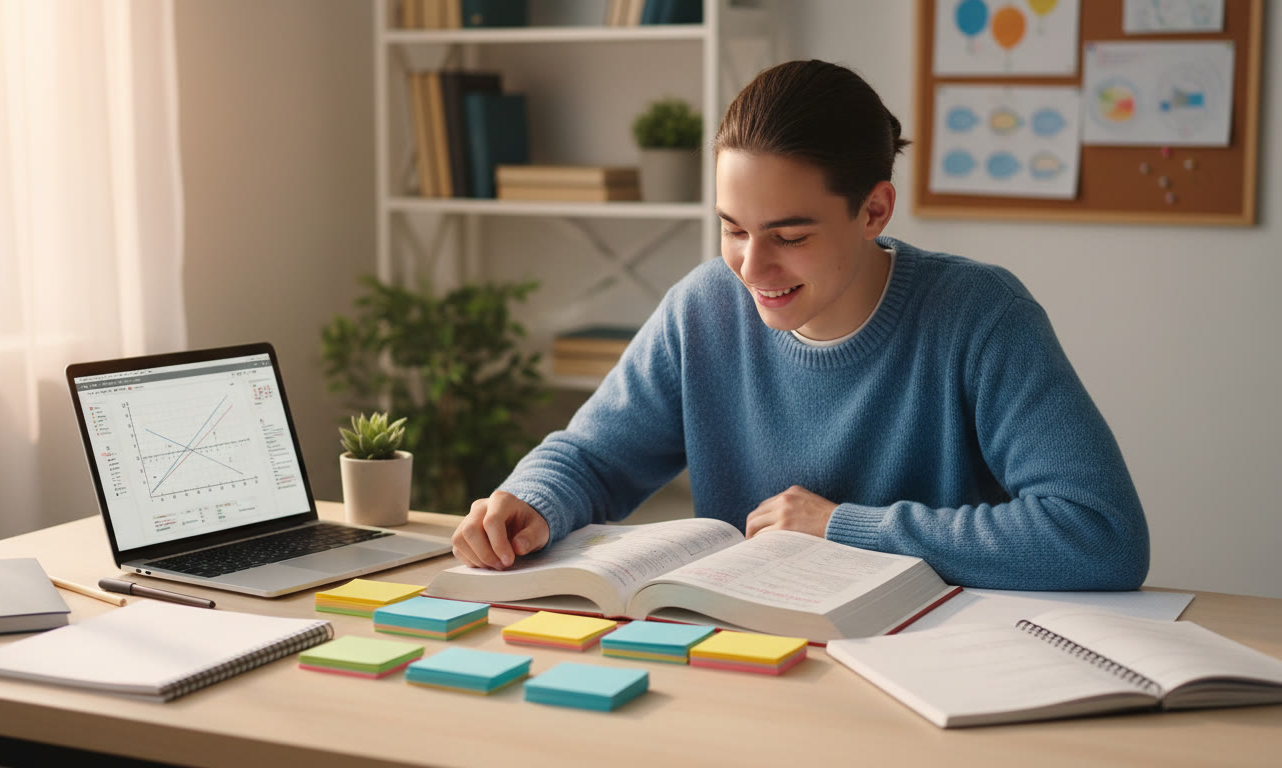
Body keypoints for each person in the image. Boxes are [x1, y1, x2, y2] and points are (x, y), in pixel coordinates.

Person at [450, 59, 1150, 591]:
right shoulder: (704, 309)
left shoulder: (982, 316)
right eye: (732, 229)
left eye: (788, 235)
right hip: (746, 652)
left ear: (874, 211)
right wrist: (532, 499)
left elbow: (1100, 533)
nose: (752, 267)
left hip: (931, 669)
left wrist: (841, 529)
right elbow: (594, 457)